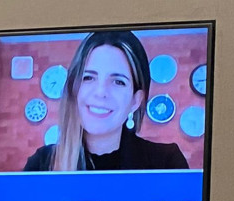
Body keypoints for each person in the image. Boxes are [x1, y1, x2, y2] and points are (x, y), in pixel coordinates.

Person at [24, 30, 188, 171]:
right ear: (74, 89)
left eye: (118, 81)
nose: (101, 92)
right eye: (88, 78)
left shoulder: (166, 163)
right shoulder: (41, 164)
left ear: (135, 101)